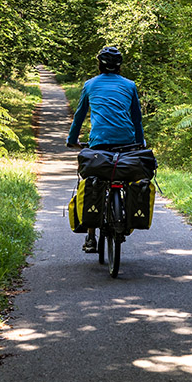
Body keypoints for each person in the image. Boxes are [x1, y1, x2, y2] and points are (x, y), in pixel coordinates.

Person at [66, 45, 146, 253]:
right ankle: (125, 221)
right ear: (120, 66)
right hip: (127, 142)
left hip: (99, 143)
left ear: (99, 64)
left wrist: (72, 139)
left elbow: (80, 115)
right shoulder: (130, 85)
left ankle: (91, 238)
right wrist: (140, 142)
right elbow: (136, 118)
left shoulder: (90, 84)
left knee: (94, 181)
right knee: (127, 175)